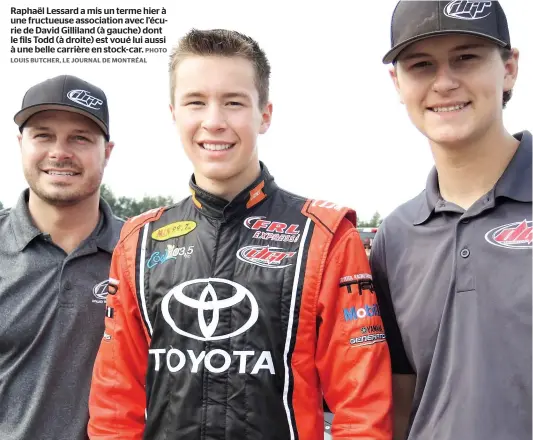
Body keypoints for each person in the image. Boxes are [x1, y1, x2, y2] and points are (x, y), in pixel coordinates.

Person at [88, 29, 393, 439]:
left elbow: (362, 411)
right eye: (196, 102)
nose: (213, 121)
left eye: (233, 102)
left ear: (264, 114)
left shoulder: (326, 237)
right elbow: (114, 404)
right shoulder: (138, 242)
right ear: (173, 112)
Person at [372, 1, 532, 439]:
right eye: (421, 65)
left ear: (509, 67)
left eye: (466, 57)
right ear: (397, 83)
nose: (444, 82)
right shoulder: (395, 235)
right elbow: (401, 398)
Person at [0, 75, 123, 440]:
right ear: (21, 144)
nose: (59, 152)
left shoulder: (145, 254)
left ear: (107, 151)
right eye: (43, 135)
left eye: (80, 138)